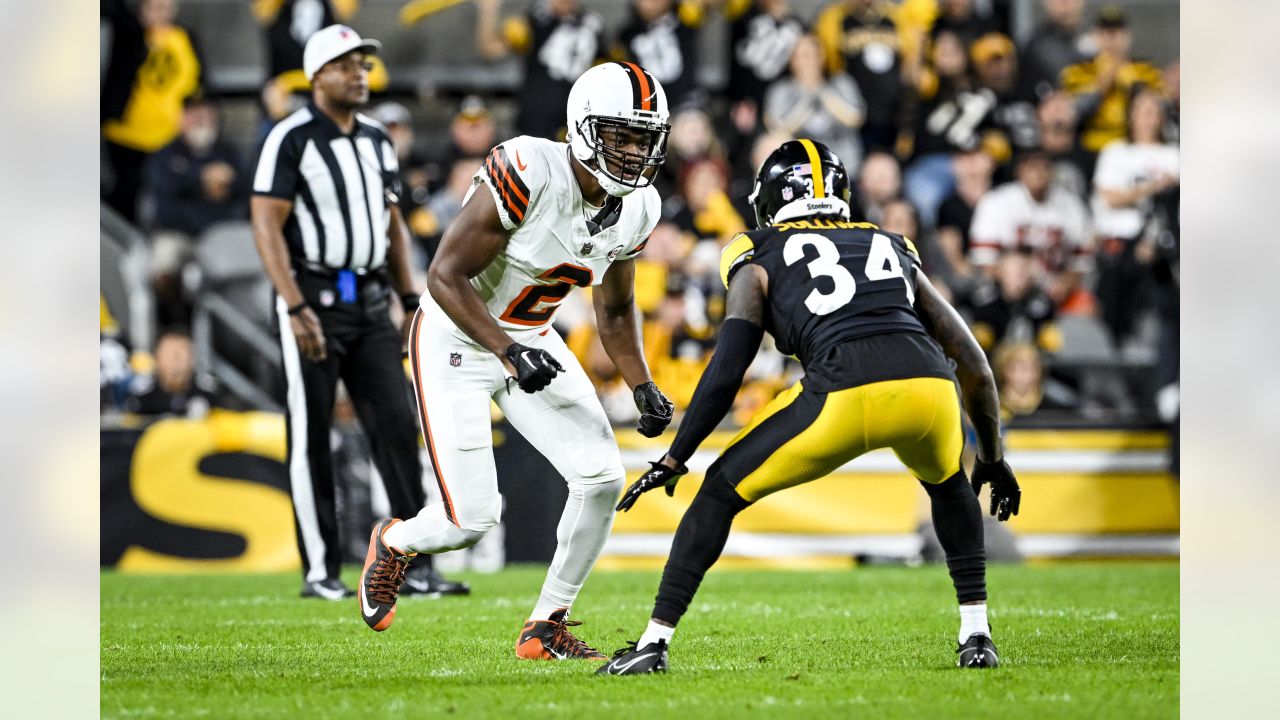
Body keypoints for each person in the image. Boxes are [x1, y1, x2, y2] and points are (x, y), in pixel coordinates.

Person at [598, 139, 1020, 675]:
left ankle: (653, 644)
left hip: (842, 391)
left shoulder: (756, 249)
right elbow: (974, 363)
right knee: (949, 486)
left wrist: (676, 456)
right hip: (930, 390)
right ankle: (976, 635)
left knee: (719, 492)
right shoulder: (890, 242)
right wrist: (992, 455)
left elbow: (729, 365)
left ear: (770, 198)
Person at [355, 63, 676, 661]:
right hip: (456, 334)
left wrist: (641, 384)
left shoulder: (637, 207)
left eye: (644, 138)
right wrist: (506, 352)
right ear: (582, 128)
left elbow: (617, 306)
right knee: (471, 520)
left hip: (531, 338)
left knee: (602, 477)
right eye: (621, 135)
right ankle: (396, 541)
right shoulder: (529, 169)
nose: (634, 152)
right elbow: (445, 275)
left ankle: (546, 626)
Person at [250, 25, 466, 601]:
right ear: (317, 74)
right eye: (346, 65)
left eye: (364, 65)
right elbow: (266, 220)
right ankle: (320, 569)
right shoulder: (290, 136)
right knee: (312, 434)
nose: (359, 75)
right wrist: (292, 303)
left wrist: (409, 296)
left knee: (397, 428)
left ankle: (413, 563)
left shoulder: (375, 139)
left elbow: (393, 222)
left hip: (370, 300)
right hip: (313, 297)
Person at [1090, 88, 1178, 345]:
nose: (1150, 118)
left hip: (1166, 243)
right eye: (1144, 111)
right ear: (1131, 116)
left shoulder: (1175, 154)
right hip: (1122, 241)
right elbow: (1110, 197)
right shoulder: (1116, 152)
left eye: (1155, 112)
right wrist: (1153, 187)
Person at [102, 0, 202, 222]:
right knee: (126, 193)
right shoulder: (130, 33)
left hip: (168, 134)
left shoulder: (184, 37)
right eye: (154, 7)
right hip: (126, 133)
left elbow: (198, 84)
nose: (160, 14)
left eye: (165, 8)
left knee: (167, 192)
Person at [968, 148, 1092, 311]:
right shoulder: (997, 202)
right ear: (1020, 171)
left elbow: (1081, 262)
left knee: (1086, 307)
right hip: (1006, 288)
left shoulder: (1071, 205)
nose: (1039, 174)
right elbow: (983, 261)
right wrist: (1016, 279)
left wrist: (1065, 283)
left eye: (1045, 167)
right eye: (1033, 167)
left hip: (1054, 288)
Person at [475, 0, 605, 140]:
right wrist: (488, 11)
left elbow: (604, 73)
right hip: (536, 116)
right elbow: (490, 50)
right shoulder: (534, 20)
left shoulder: (593, 25)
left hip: (577, 120)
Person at [1060, 7, 1163, 155]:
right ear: (1095, 36)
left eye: (1117, 32)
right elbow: (1072, 113)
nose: (1111, 39)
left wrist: (1133, 86)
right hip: (1090, 147)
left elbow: (1160, 109)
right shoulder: (1079, 70)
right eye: (1105, 33)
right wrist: (1102, 84)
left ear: (1128, 37)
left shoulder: (1145, 70)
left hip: (1132, 147)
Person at [762, 33, 866, 176]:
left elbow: (855, 119)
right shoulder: (781, 90)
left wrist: (822, 91)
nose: (810, 61)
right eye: (803, 56)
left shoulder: (841, 82)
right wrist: (807, 98)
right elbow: (778, 128)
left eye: (814, 54)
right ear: (792, 60)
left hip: (843, 163)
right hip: (800, 167)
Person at [123, 328, 218, 418]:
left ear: (193, 359)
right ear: (157, 359)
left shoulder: (209, 392)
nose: (175, 362)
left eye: (181, 354)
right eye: (169, 354)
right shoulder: (142, 396)